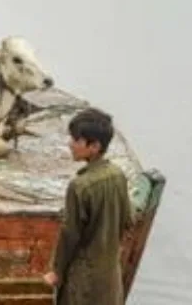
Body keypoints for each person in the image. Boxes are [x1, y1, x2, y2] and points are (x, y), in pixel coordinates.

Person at [43, 108, 133, 305]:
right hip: (110, 278)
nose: (71, 144)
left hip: (83, 281)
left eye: (76, 140)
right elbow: (128, 220)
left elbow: (70, 234)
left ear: (94, 146)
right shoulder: (118, 175)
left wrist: (56, 271)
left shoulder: (79, 186)